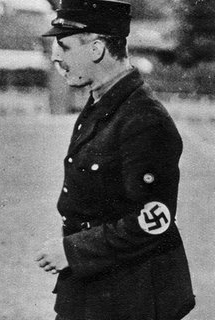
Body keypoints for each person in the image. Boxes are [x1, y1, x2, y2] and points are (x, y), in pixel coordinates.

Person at [35, 0, 195, 319]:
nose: (55, 56)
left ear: (96, 49)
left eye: (64, 46)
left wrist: (72, 250)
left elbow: (154, 221)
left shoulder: (143, 119)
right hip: (94, 285)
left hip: (131, 296)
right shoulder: (104, 104)